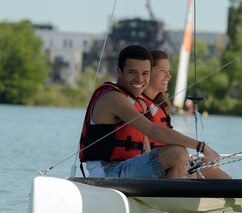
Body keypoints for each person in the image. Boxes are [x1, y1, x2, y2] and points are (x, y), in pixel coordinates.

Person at [79, 45, 220, 179]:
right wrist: (201, 147)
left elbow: (146, 148)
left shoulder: (136, 101)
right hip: (108, 171)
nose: (139, 79)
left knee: (194, 167)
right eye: (132, 72)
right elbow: (153, 130)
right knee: (178, 154)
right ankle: (165, 203)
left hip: (129, 166)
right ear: (119, 71)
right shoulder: (113, 98)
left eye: (145, 73)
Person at [143, 49, 231, 179]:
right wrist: (200, 148)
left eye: (169, 72)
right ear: (147, 73)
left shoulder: (160, 106)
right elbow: (146, 156)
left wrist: (187, 162)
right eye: (162, 71)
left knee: (208, 166)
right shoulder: (138, 106)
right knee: (189, 162)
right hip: (153, 172)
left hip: (170, 165)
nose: (168, 76)